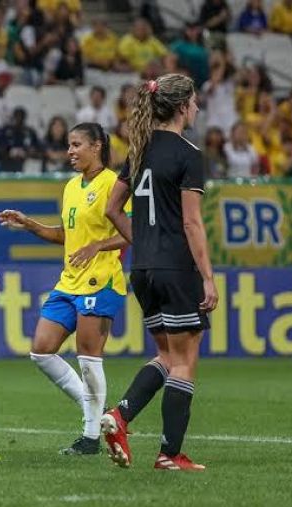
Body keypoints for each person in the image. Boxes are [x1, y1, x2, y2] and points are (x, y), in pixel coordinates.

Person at [103, 73, 218, 471]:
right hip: (176, 267)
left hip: (144, 269)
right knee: (185, 359)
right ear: (183, 106)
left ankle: (119, 416)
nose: (198, 108)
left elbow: (112, 209)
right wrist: (207, 276)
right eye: (196, 101)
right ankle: (169, 453)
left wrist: (144, 243)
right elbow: (191, 223)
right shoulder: (188, 154)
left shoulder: (138, 150)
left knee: (167, 355)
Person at [0, 122, 129, 455]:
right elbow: (67, 235)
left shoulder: (114, 183)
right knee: (41, 349)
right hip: (69, 281)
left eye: (76, 144)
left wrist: (98, 246)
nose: (69, 151)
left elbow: (133, 232)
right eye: (69, 145)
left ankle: (91, 438)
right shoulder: (71, 186)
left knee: (88, 358)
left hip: (100, 282)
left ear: (97, 146)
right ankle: (95, 412)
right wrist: (29, 225)